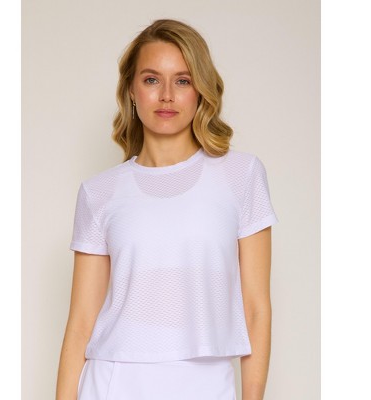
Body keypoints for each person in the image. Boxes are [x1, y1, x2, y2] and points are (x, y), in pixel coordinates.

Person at [56, 19, 278, 400]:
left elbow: (257, 308)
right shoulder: (99, 193)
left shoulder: (241, 175)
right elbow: (80, 323)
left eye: (183, 81)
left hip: (206, 382)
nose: (167, 96)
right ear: (131, 90)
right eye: (151, 80)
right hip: (112, 381)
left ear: (201, 90)